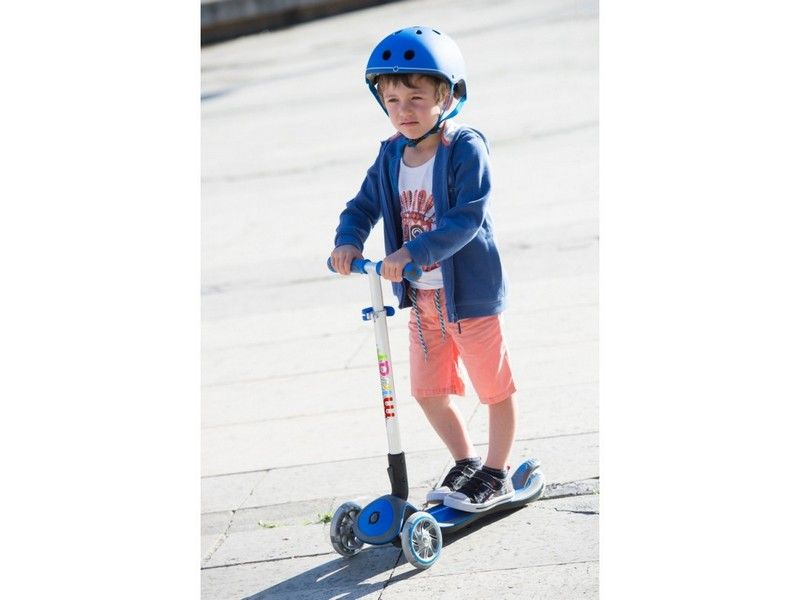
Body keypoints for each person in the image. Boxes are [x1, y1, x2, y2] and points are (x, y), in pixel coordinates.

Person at [330, 26, 517, 513]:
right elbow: (362, 205)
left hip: (469, 295)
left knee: (493, 388)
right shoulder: (392, 152)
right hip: (424, 300)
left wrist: (412, 252)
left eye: (416, 98)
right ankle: (467, 461)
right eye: (392, 100)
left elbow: (466, 218)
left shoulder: (464, 147)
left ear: (447, 97)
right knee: (428, 391)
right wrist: (348, 241)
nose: (404, 110)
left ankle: (497, 472)